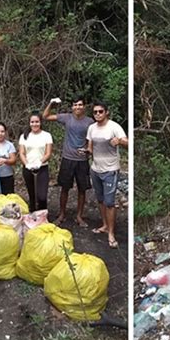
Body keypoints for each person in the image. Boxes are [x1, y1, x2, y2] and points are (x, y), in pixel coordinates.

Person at [42, 95, 94, 227]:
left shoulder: (90, 122)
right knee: (64, 188)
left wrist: (88, 149)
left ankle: (79, 216)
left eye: (80, 105)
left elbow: (92, 139)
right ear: (72, 107)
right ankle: (62, 214)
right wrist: (51, 103)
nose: (77, 107)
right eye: (75, 105)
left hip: (82, 160)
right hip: (67, 159)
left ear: (84, 107)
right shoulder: (67, 117)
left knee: (82, 189)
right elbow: (45, 117)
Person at [86, 101, 128, 249]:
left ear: (106, 112)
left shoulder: (114, 127)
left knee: (110, 203)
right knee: (101, 200)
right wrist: (85, 151)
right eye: (95, 112)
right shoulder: (91, 128)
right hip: (95, 169)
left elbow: (128, 142)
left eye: (100, 111)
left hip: (110, 170)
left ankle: (111, 233)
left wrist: (120, 142)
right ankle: (104, 225)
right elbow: (90, 148)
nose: (97, 114)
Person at [18, 113, 53, 212]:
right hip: (28, 169)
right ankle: (33, 215)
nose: (35, 124)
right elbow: (21, 153)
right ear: (29, 123)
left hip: (42, 168)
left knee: (41, 196)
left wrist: (40, 162)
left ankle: (43, 215)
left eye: (37, 122)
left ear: (41, 122)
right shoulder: (24, 136)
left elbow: (48, 153)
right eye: (32, 122)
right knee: (32, 195)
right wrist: (26, 164)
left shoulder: (46, 135)